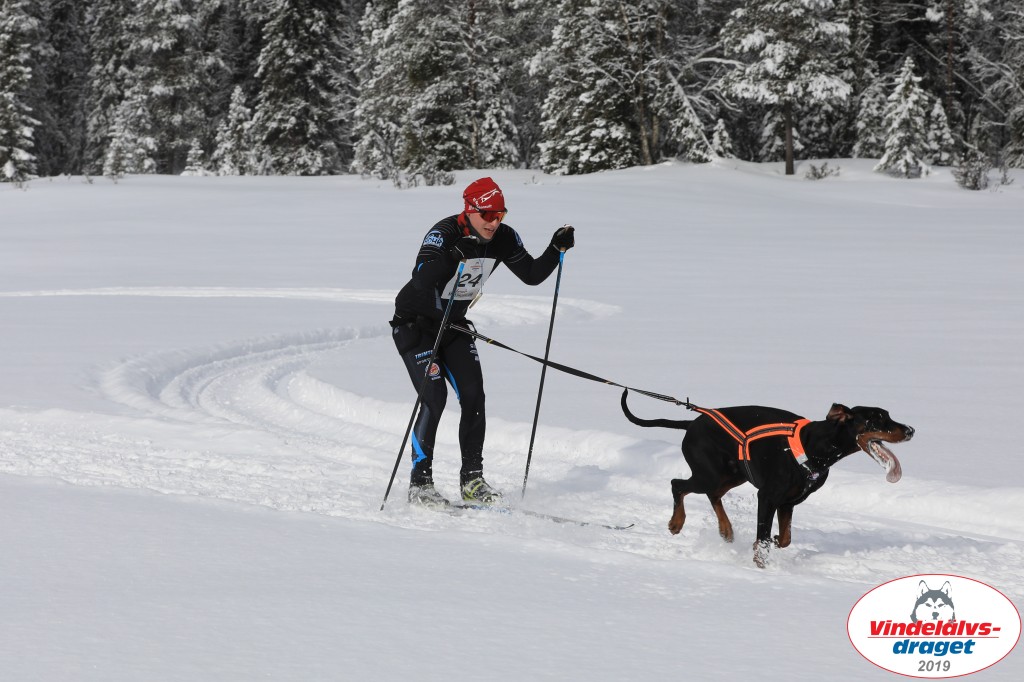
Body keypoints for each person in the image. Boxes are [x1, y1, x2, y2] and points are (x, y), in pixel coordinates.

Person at [390, 176, 575, 509]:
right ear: (470, 209)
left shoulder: (503, 238)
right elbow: (420, 276)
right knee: (435, 398)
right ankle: (421, 484)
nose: (494, 222)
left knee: (474, 397)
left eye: (499, 214)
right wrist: (451, 257)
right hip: (415, 326)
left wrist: (555, 248)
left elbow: (532, 274)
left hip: (455, 325)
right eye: (487, 215)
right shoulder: (444, 232)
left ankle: (472, 480)